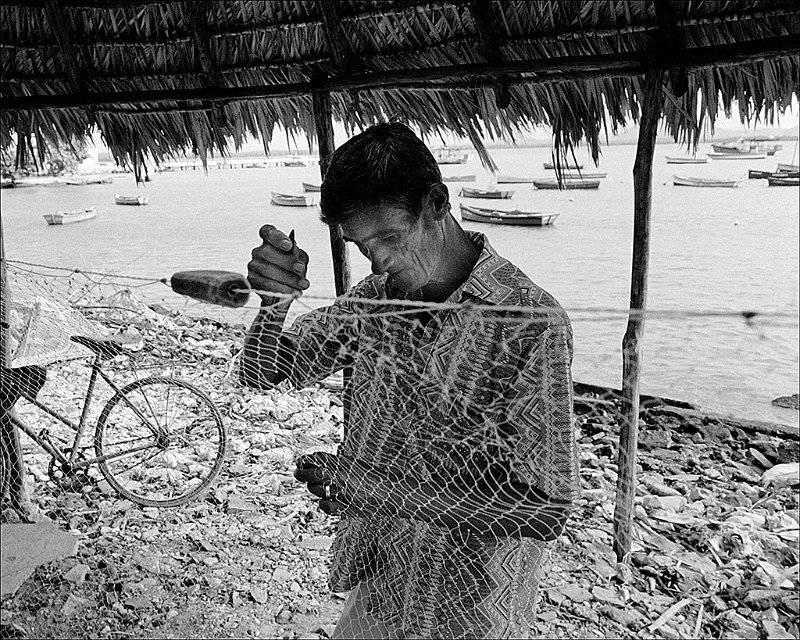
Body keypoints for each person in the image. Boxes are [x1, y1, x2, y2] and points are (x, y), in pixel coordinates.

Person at [240, 123, 579, 639]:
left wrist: (375, 494)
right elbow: (264, 372)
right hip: (381, 586)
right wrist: (273, 305)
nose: (377, 260)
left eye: (391, 237)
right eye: (360, 244)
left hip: (472, 607)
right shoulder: (375, 301)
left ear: (437, 203)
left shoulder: (528, 321)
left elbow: (545, 509)